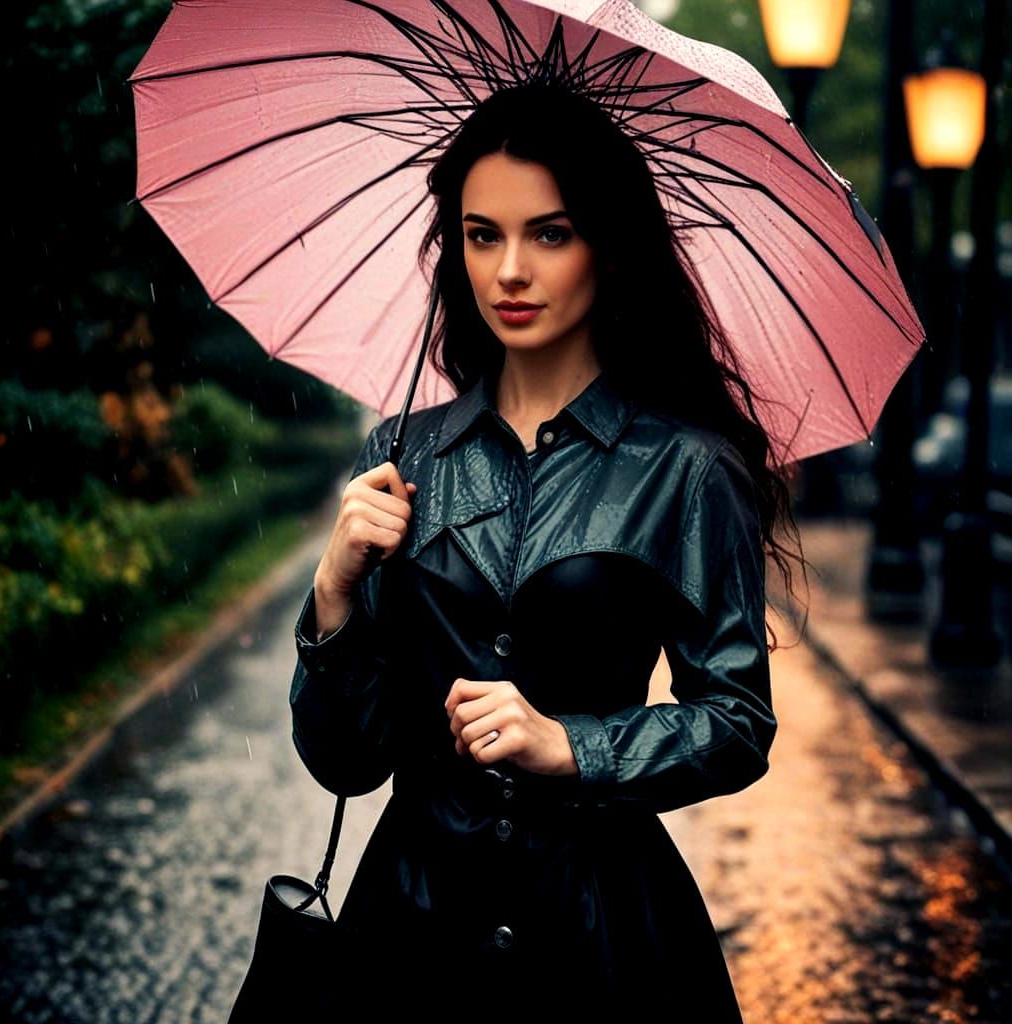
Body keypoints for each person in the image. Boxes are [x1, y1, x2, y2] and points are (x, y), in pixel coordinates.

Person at [289, 81, 807, 1017]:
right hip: (408, 934)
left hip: (602, 935)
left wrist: (572, 747)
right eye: (482, 234)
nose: (510, 271)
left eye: (550, 233)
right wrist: (332, 593)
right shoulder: (405, 457)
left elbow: (736, 721)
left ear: (607, 245)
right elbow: (345, 762)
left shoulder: (686, 469)